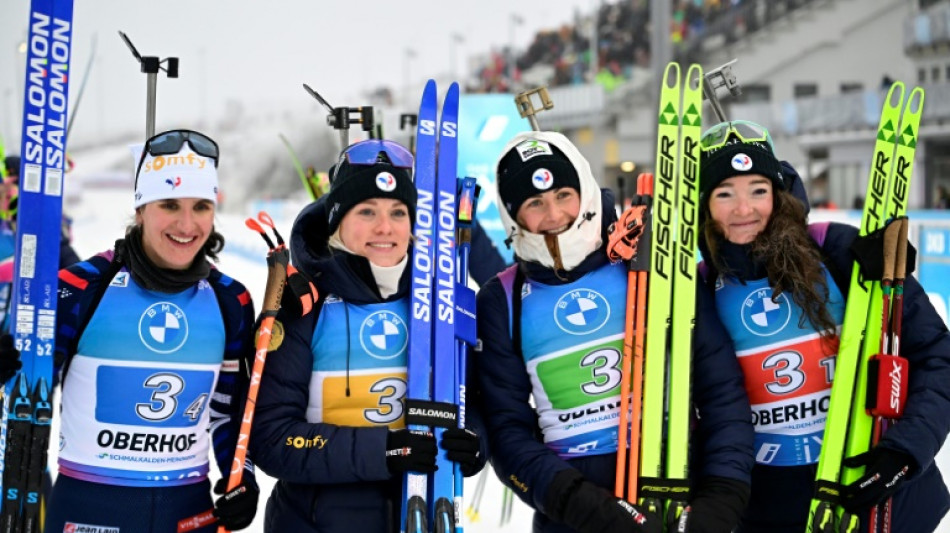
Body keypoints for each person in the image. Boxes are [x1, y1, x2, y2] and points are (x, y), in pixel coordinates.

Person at [475, 130, 754, 533]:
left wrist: (723, 496)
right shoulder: (503, 298)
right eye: (535, 203)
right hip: (573, 516)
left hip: (678, 494)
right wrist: (581, 504)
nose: (554, 215)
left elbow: (722, 392)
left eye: (564, 195)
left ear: (584, 192)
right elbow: (507, 430)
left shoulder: (651, 265)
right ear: (513, 215)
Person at [696, 120, 950, 532]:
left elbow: (937, 355)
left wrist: (903, 454)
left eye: (758, 190)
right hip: (771, 511)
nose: (744, 210)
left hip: (880, 497)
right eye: (725, 194)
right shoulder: (701, 287)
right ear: (704, 204)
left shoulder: (838, 250)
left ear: (778, 194)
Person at [250, 139, 487, 532]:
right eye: (367, 211)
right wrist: (386, 449)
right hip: (312, 521)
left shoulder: (443, 301)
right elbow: (272, 439)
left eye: (398, 212)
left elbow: (470, 400)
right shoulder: (301, 305)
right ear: (336, 221)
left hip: (419, 514)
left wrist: (474, 442)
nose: (385, 227)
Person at [40, 129, 260, 531]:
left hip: (187, 512)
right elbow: (29, 391)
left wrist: (240, 478)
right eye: (170, 204)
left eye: (201, 207)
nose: (187, 223)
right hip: (90, 508)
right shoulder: (81, 288)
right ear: (140, 209)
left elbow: (228, 412)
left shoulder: (231, 301)